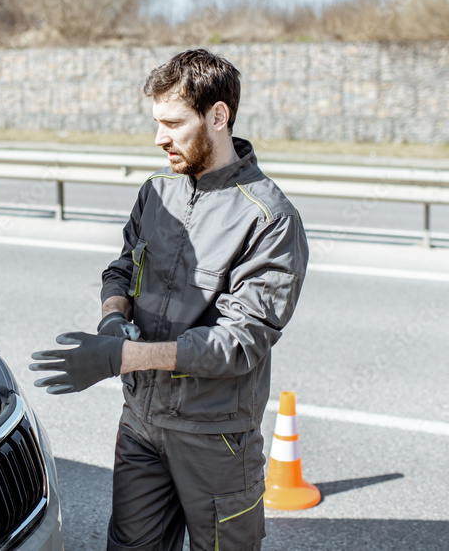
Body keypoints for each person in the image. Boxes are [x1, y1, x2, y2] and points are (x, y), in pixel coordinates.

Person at [30, 49, 309, 551]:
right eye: (157, 122)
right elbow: (120, 268)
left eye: (174, 123)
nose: (160, 137)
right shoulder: (156, 191)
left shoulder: (269, 219)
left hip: (215, 440)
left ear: (218, 116)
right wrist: (113, 319)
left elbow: (240, 343)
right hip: (141, 425)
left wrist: (120, 358)